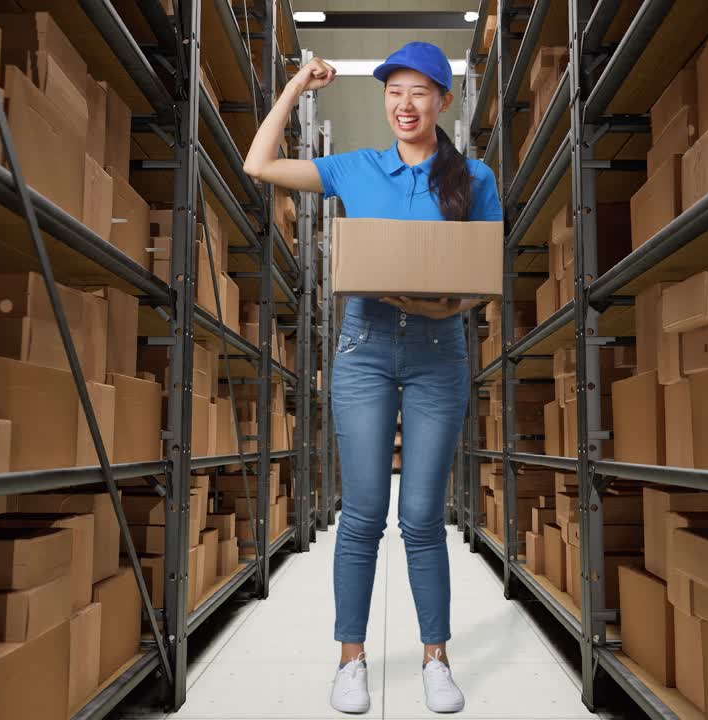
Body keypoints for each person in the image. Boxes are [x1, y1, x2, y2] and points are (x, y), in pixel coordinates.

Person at [243, 41, 501, 714]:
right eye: (394, 91)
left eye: (419, 92)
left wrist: (442, 302)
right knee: (361, 515)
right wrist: (299, 83)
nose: (404, 104)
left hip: (440, 349)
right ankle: (350, 660)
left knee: (421, 517)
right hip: (365, 347)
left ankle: (436, 659)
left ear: (442, 101)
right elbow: (258, 162)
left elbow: (484, 276)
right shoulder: (355, 168)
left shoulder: (474, 179)